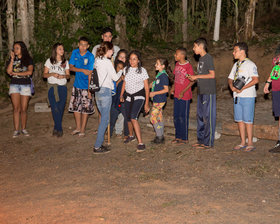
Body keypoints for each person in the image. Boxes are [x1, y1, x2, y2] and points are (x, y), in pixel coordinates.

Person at [228, 42, 259, 152]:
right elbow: (230, 78)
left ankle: (250, 142)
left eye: (235, 50)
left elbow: (255, 79)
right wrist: (232, 86)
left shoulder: (250, 64)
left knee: (248, 120)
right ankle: (242, 141)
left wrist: (243, 88)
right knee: (239, 119)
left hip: (248, 96)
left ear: (242, 51)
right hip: (237, 96)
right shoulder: (236, 65)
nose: (233, 53)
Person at [93, 42, 122, 153]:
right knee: (105, 120)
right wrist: (121, 71)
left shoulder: (97, 60)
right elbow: (114, 77)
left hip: (97, 91)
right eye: (112, 50)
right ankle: (97, 146)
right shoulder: (107, 62)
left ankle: (99, 144)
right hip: (105, 91)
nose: (113, 52)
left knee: (103, 118)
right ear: (107, 50)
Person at [120, 50, 150, 152]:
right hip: (128, 96)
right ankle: (131, 135)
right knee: (128, 118)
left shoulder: (142, 71)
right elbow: (124, 83)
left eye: (134, 59)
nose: (132, 61)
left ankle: (141, 143)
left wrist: (146, 103)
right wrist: (121, 94)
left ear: (138, 60)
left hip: (139, 96)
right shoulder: (126, 70)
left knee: (133, 117)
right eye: (130, 59)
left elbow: (146, 88)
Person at [189, 38, 216, 149]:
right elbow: (202, 75)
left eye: (195, 46)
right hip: (201, 91)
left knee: (207, 117)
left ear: (201, 46)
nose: (193, 48)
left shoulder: (208, 58)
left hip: (208, 92)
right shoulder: (201, 59)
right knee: (200, 116)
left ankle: (208, 143)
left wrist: (197, 76)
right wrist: (194, 78)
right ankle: (201, 140)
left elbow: (212, 75)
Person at [6, 41, 34, 138]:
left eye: (17, 48)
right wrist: (12, 59)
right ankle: (16, 130)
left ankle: (23, 128)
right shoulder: (12, 59)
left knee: (24, 108)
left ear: (22, 49)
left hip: (25, 85)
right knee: (16, 109)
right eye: (14, 48)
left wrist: (16, 74)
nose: (15, 50)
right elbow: (9, 71)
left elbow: (29, 72)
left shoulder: (28, 59)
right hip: (14, 85)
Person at [68, 37, 95, 137]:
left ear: (88, 46)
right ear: (78, 45)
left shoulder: (90, 56)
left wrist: (89, 90)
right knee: (75, 107)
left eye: (85, 45)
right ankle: (78, 127)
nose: (82, 47)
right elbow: (71, 68)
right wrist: (82, 70)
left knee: (85, 108)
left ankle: (83, 129)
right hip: (76, 85)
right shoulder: (75, 53)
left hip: (86, 86)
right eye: (81, 45)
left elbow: (90, 74)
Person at [43, 43, 70, 137]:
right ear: (55, 50)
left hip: (62, 87)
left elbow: (68, 75)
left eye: (62, 49)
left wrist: (64, 76)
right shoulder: (49, 61)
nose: (62, 51)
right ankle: (59, 128)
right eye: (60, 49)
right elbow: (44, 74)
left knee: (60, 108)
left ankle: (56, 127)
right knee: (54, 108)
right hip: (52, 87)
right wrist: (52, 74)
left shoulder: (65, 62)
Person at [170, 48, 195, 145]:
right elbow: (176, 78)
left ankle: (184, 138)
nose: (174, 56)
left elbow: (192, 81)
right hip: (177, 95)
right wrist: (172, 88)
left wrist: (183, 92)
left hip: (184, 96)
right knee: (176, 116)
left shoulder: (188, 67)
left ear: (182, 55)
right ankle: (177, 136)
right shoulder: (177, 65)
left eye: (176, 54)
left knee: (183, 116)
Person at [149, 58, 171, 144]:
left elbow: (166, 90)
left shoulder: (164, 76)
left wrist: (154, 93)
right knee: (159, 117)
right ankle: (161, 137)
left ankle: (159, 136)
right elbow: (157, 84)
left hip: (160, 100)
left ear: (163, 66)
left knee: (152, 118)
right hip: (157, 99)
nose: (155, 65)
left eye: (157, 64)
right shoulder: (159, 74)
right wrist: (151, 85)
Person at [264, 45, 280, 153]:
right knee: (279, 116)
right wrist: (268, 83)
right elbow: (275, 70)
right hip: (276, 89)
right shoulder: (276, 57)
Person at [110, 60, 129, 139]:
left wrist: (124, 80)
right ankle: (109, 132)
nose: (120, 70)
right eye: (119, 68)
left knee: (124, 117)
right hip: (114, 101)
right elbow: (113, 87)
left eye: (122, 68)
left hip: (122, 101)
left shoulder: (126, 78)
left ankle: (123, 133)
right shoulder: (113, 77)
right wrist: (119, 80)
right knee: (113, 117)